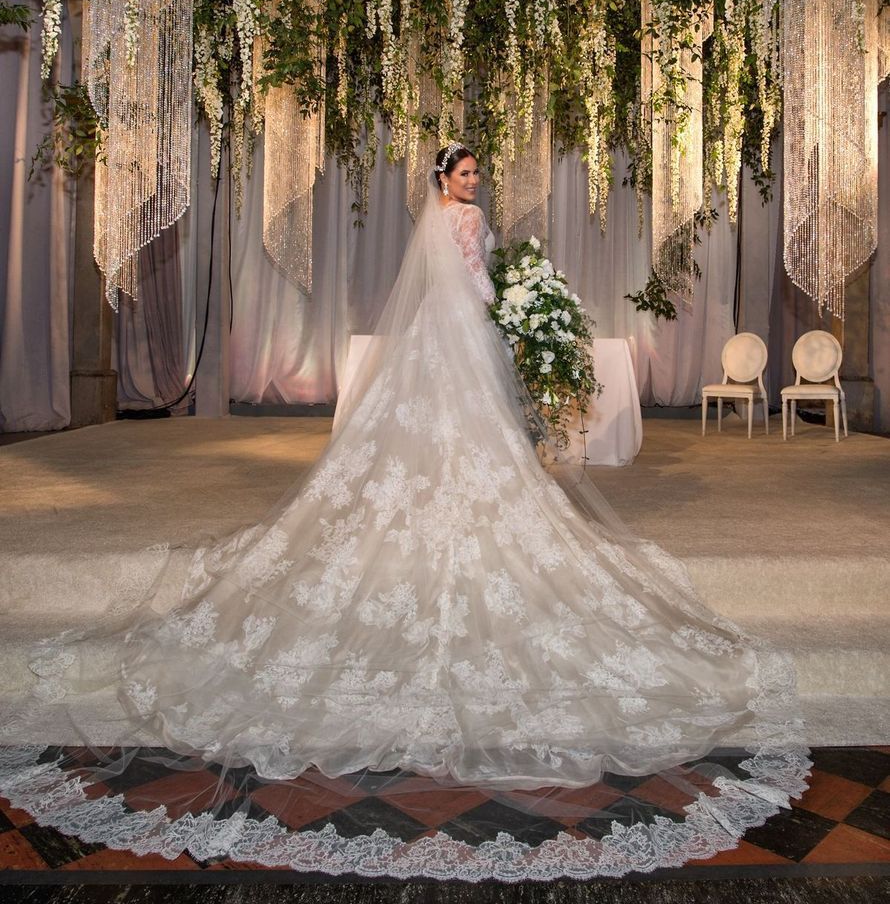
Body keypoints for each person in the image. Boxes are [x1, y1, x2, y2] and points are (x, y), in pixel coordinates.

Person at [0, 144, 810, 881]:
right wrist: (507, 312)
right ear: (445, 180)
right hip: (466, 335)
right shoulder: (470, 222)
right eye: (465, 174)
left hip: (433, 336)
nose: (474, 183)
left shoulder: (434, 223)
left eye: (477, 173)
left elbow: (442, 283)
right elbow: (478, 281)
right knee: (475, 435)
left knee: (421, 437)